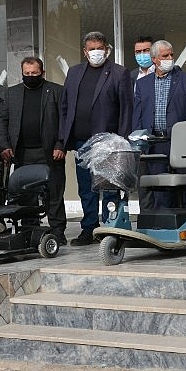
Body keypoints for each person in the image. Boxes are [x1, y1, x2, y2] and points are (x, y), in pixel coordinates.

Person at [59, 31, 133, 246]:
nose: (96, 52)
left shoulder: (119, 73)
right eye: (91, 49)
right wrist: (63, 138)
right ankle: (89, 228)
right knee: (86, 188)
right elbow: (65, 106)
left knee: (108, 187)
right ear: (85, 51)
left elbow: (126, 109)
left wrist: (121, 140)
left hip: (107, 142)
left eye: (99, 48)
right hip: (81, 142)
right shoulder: (74, 73)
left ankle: (109, 228)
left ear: (107, 49)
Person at [132, 40, 186, 209]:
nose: (170, 58)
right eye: (165, 56)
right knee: (161, 193)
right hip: (155, 144)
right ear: (154, 59)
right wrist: (139, 143)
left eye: (171, 54)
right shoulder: (142, 84)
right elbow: (138, 116)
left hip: (181, 144)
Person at [7, 57, 67, 244]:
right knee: (27, 193)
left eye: (34, 73)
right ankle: (29, 229)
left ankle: (57, 231)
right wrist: (6, 146)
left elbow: (64, 121)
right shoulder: (12, 93)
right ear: (22, 73)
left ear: (43, 73)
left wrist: (61, 144)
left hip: (50, 151)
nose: (31, 76)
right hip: (22, 153)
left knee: (54, 192)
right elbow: (3, 120)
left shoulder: (56, 91)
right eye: (27, 73)